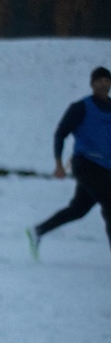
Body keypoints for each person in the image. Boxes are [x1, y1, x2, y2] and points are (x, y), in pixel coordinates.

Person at [27, 66, 111, 259]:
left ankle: (38, 230)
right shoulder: (81, 107)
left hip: (105, 168)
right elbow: (61, 133)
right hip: (85, 164)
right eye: (99, 80)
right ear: (92, 84)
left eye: (107, 80)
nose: (104, 83)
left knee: (78, 209)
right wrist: (58, 162)